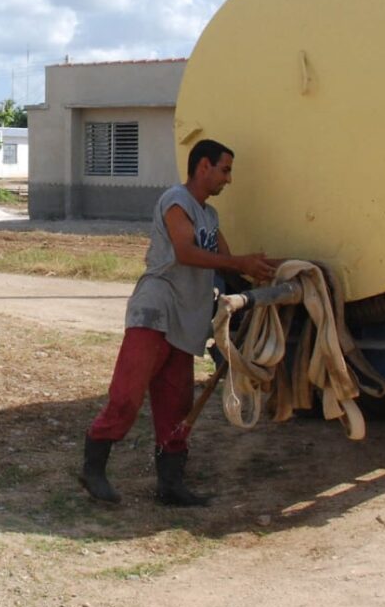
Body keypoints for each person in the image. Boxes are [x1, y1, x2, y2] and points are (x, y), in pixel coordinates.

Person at [80, 138, 276, 506]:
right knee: (127, 397)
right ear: (204, 166)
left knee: (176, 407)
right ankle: (93, 469)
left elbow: (230, 264)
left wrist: (274, 270)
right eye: (225, 169)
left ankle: (170, 485)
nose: (228, 180)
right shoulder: (176, 201)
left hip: (185, 322)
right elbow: (186, 253)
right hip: (155, 312)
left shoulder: (210, 216)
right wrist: (241, 264)